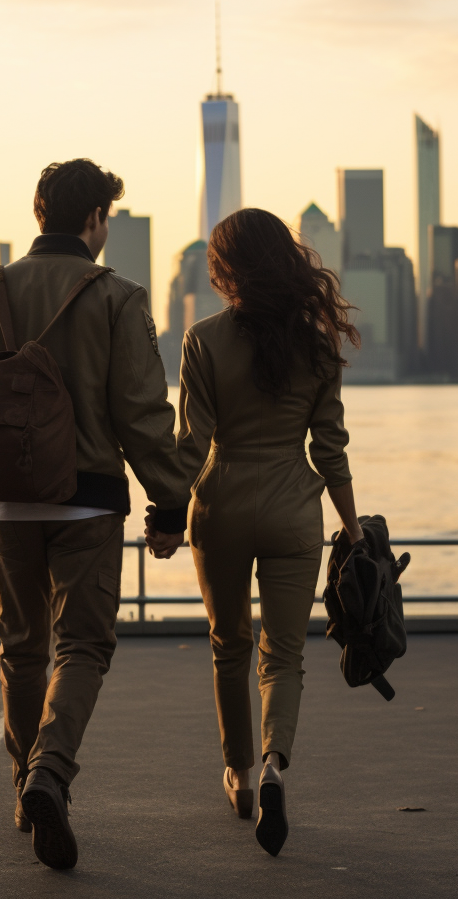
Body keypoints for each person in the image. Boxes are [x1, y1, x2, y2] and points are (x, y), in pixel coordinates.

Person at [0, 159, 190, 871]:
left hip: (2, 501)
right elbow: (141, 413)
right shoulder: (119, 298)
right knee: (84, 646)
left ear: (39, 212)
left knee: (21, 646)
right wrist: (171, 502)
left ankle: (22, 790)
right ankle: (50, 774)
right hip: (89, 498)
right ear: (96, 220)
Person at [149, 207, 362, 857]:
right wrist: (352, 527)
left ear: (223, 270)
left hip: (223, 508)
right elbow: (330, 449)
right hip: (296, 509)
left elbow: (193, 445)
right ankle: (275, 763)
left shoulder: (203, 339)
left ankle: (238, 777)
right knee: (285, 655)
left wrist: (164, 514)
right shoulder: (318, 343)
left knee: (229, 646)